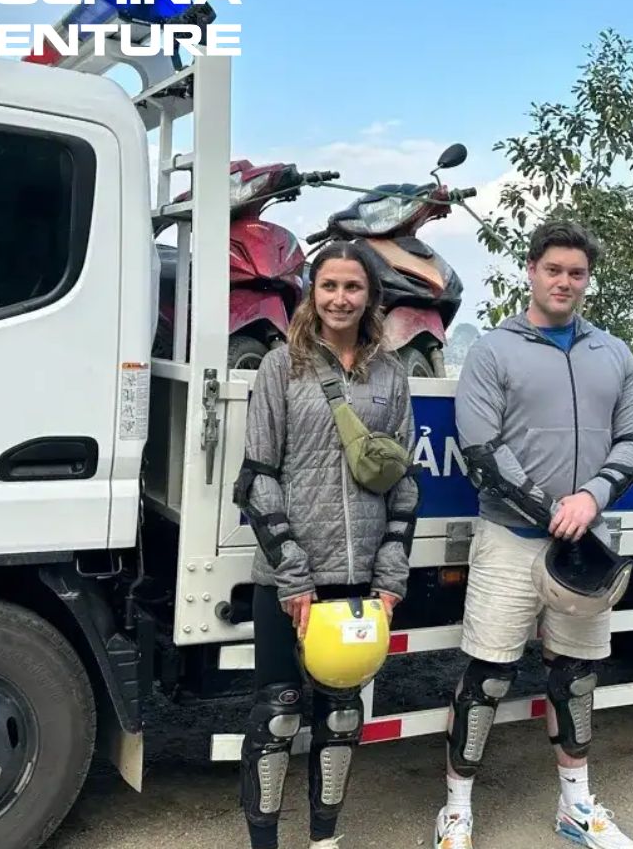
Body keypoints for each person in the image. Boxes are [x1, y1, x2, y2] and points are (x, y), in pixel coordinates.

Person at [431, 220, 633, 849]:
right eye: (553, 269)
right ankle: (456, 809)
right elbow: (479, 448)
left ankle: (576, 809)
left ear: (587, 279)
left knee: (576, 677)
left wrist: (591, 498)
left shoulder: (614, 353)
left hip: (586, 544)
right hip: (510, 539)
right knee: (486, 678)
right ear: (531, 270)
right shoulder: (494, 350)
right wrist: (554, 507)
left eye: (576, 273)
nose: (564, 282)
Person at [233, 241, 421, 849]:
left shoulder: (390, 376)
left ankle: (324, 840)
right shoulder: (280, 368)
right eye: (329, 286)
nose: (340, 299)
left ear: (371, 297)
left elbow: (403, 483)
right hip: (291, 580)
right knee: (279, 713)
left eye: (353, 288)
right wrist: (293, 571)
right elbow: (257, 477)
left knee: (340, 719)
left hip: (360, 583)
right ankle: (265, 842)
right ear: (312, 292)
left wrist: (390, 575)